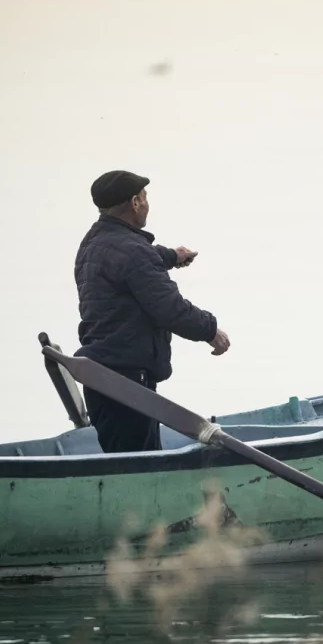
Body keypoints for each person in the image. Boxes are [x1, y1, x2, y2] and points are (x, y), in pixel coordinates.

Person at [74, 170, 230, 453]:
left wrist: (172, 256)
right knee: (136, 468)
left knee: (124, 461)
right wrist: (211, 330)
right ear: (135, 202)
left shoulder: (93, 243)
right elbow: (171, 310)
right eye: (145, 198)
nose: (147, 204)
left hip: (102, 378)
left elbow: (132, 258)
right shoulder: (134, 252)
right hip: (128, 385)